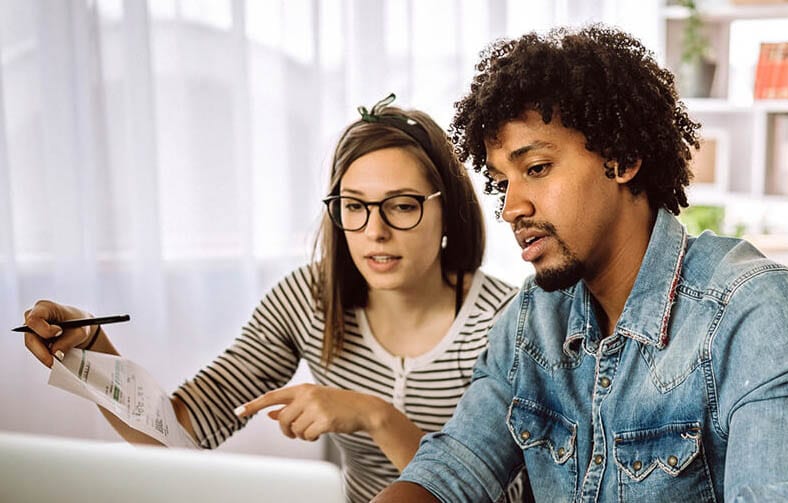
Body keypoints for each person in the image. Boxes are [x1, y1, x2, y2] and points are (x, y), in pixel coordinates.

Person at [374, 25, 788, 503]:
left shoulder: (757, 315)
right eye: (503, 183)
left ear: (622, 159)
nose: (511, 208)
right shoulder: (532, 321)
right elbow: (453, 468)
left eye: (536, 169)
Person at [20, 95, 524, 503]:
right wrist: (90, 346)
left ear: (447, 210)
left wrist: (376, 416)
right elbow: (176, 432)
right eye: (353, 207)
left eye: (402, 206)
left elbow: (505, 497)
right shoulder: (305, 300)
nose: (375, 231)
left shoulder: (507, 322)